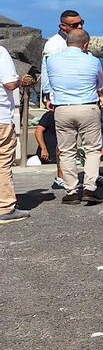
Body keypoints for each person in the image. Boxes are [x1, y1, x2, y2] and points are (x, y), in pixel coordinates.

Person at [42, 29, 103, 205]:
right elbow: (99, 83)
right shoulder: (93, 61)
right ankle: (90, 188)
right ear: (86, 45)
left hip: (62, 109)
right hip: (87, 108)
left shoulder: (52, 60)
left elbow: (47, 84)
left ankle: (71, 191)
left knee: (67, 151)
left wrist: (50, 97)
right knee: (92, 149)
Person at [0, 46, 33, 224]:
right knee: (3, 162)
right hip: (1, 118)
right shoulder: (1, 52)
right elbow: (9, 83)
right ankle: (5, 208)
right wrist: (21, 80)